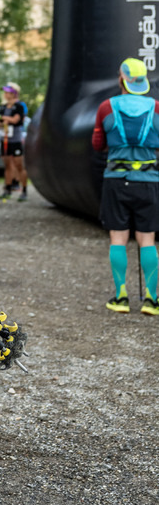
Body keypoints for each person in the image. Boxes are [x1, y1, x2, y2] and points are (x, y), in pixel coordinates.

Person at [91, 56, 159, 314]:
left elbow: (98, 144)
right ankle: (152, 300)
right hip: (149, 181)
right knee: (148, 240)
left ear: (121, 79)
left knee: (118, 238)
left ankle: (121, 297)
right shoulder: (156, 107)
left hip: (116, 181)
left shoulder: (106, 107)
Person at [0, 84, 28, 201]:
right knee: (8, 165)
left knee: (19, 165)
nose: (5, 94)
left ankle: (24, 190)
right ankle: (7, 189)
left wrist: (4, 118)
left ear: (13, 93)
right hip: (5, 138)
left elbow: (16, 120)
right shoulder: (3, 106)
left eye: (7, 92)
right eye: (4, 92)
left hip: (16, 140)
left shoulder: (19, 106)